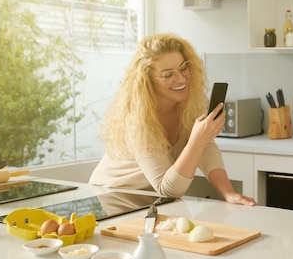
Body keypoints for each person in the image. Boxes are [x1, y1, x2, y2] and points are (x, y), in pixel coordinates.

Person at [89, 33, 256, 206]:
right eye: (168, 75)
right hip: (111, 198)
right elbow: (168, 189)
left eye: (183, 68)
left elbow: (206, 149)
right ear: (148, 82)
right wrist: (197, 140)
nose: (181, 78)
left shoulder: (187, 106)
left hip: (151, 202)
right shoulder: (138, 121)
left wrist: (228, 193)